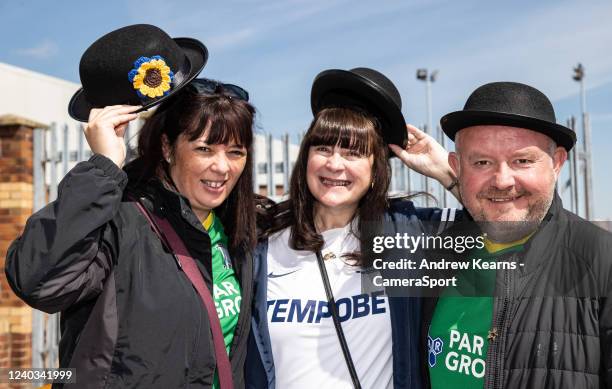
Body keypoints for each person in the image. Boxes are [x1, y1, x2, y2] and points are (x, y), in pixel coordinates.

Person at [5, 24, 257, 389]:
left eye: (236, 152)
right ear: (168, 148)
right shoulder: (117, 220)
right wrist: (104, 167)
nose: (222, 167)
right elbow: (38, 281)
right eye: (204, 149)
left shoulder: (242, 230)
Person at [245, 68, 460, 389]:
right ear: (305, 159)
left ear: (376, 170)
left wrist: (445, 171)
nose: (335, 164)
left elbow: (507, 229)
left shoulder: (407, 233)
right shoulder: (263, 239)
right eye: (323, 149)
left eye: (354, 153)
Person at [422, 81, 612, 388]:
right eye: (481, 162)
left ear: (557, 163)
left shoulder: (602, 262)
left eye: (522, 160)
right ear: (457, 168)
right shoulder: (436, 256)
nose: (502, 180)